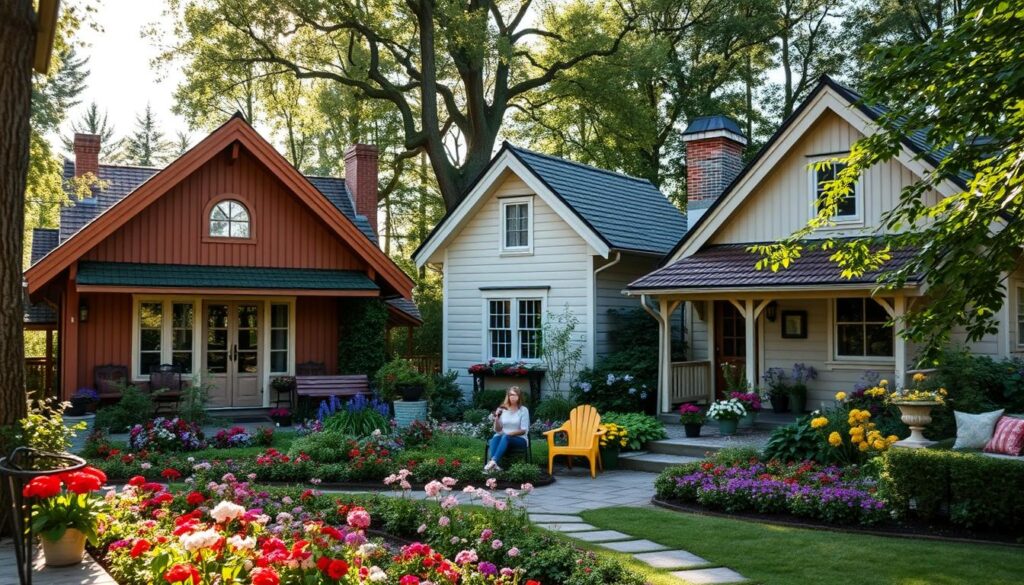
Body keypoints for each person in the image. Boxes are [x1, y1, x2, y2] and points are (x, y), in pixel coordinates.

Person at [484, 386, 530, 472]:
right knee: (495, 437)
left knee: (505, 437)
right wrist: (497, 418)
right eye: (511, 395)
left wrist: (508, 434)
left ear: (519, 397)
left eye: (516, 395)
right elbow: (498, 430)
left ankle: (493, 461)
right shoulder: (503, 409)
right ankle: (494, 465)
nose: (513, 397)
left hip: (520, 439)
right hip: (503, 437)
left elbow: (523, 430)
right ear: (508, 396)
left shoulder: (523, 410)